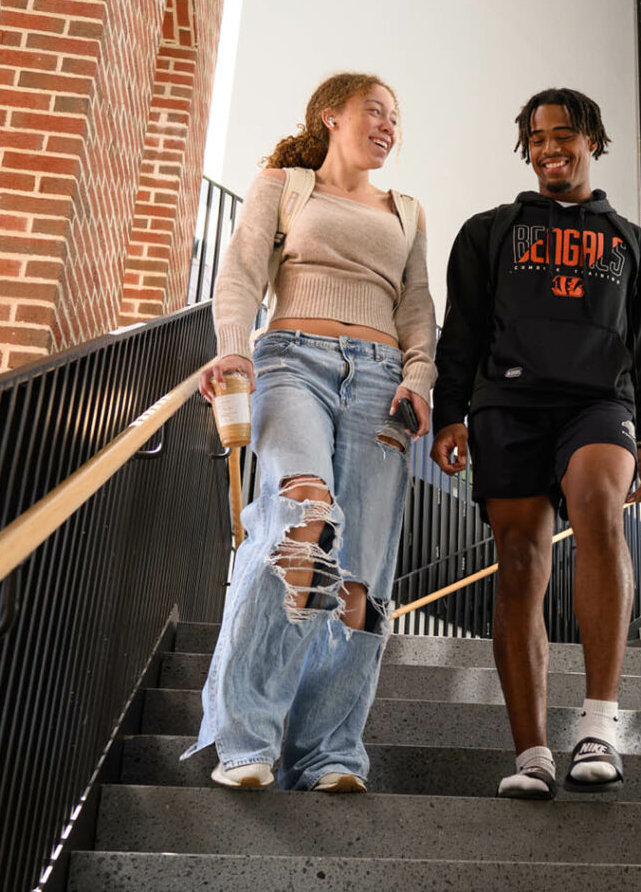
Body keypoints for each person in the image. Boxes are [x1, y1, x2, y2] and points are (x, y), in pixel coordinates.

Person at [181, 72, 436, 792]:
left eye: (396, 117)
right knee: (303, 520)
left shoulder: (409, 212)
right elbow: (238, 275)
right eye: (374, 111)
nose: (388, 125)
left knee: (362, 579)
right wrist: (233, 344)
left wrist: (419, 381)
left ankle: (327, 755)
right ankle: (245, 742)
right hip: (294, 361)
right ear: (332, 116)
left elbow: (418, 311)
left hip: (382, 384)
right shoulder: (284, 185)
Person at [429, 88, 641, 800]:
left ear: (592, 139)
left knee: (598, 505)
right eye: (536, 137)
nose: (549, 147)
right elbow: (460, 335)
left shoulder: (633, 243)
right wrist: (450, 415)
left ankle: (598, 725)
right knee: (521, 562)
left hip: (598, 403)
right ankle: (531, 751)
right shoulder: (488, 232)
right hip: (508, 405)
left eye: (563, 134)